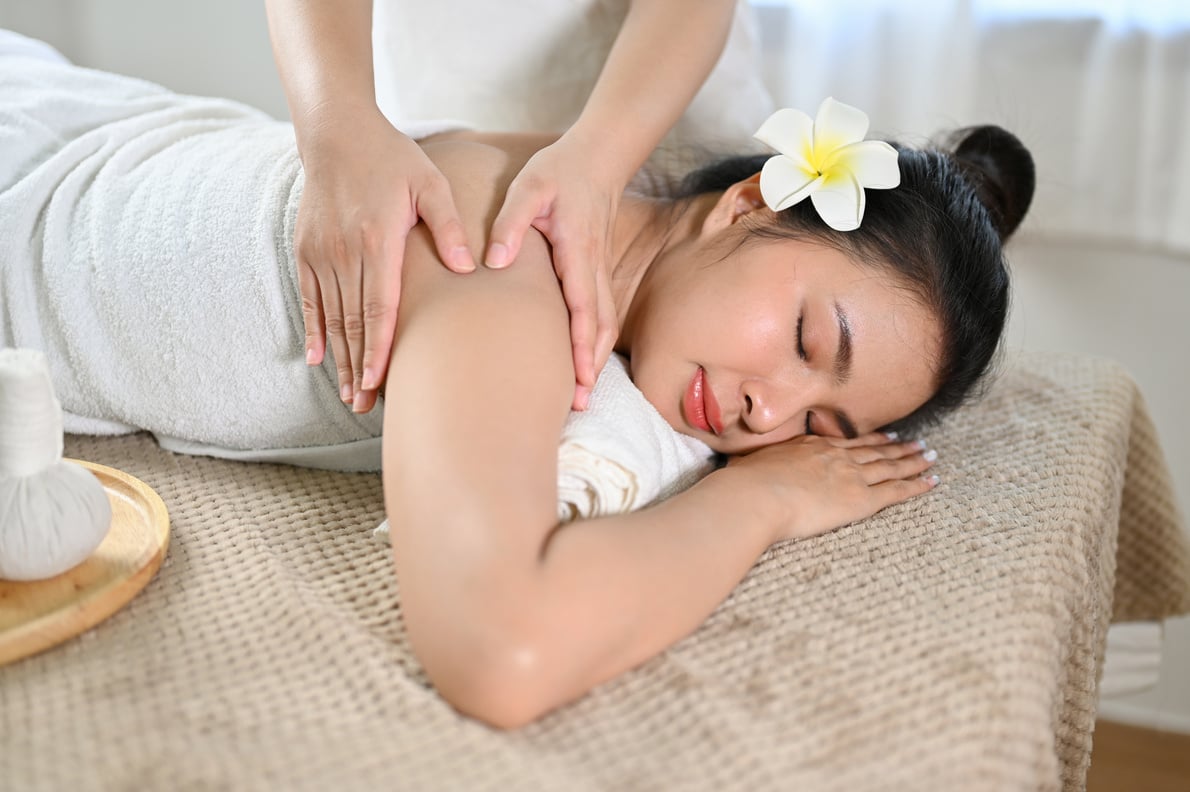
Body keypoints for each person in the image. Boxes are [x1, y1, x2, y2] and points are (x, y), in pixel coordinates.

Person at [0, 44, 1035, 728]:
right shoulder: (500, 264)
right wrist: (762, 498)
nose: (768, 411)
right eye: (809, 336)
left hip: (102, 126)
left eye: (818, 425)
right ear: (750, 205)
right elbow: (501, 656)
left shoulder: (605, 227)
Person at [264, 0, 743, 416]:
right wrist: (337, 132)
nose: (764, 415)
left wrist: (600, 161)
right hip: (446, 132)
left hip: (648, 120)